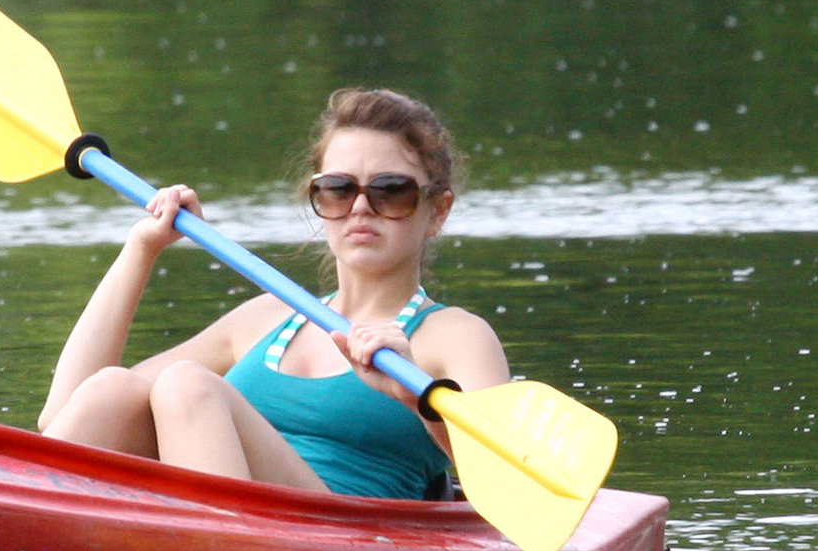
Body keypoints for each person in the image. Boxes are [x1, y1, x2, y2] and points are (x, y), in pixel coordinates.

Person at [36, 88, 510, 499]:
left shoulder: (456, 336)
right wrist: (141, 249)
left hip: (341, 544)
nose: (361, 208)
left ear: (438, 211)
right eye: (338, 189)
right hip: (233, 529)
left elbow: (509, 491)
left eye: (391, 191)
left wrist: (415, 400)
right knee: (114, 389)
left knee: (189, 384)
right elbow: (62, 415)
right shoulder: (266, 318)